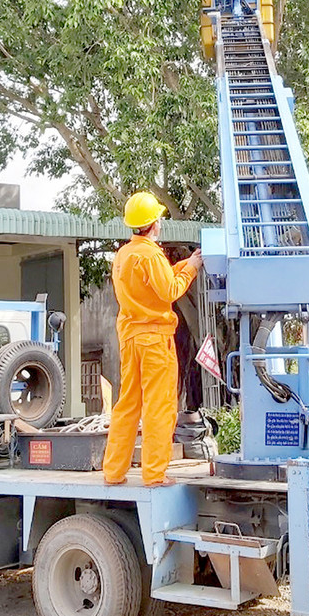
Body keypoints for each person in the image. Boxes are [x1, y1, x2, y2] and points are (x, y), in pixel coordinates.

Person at [102, 191, 203, 487]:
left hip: (130, 337)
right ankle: (155, 474)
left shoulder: (124, 255)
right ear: (155, 223)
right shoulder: (150, 255)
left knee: (127, 404)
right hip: (155, 340)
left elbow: (155, 281)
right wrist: (193, 270)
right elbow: (169, 290)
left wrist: (187, 263)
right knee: (159, 406)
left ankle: (114, 471)